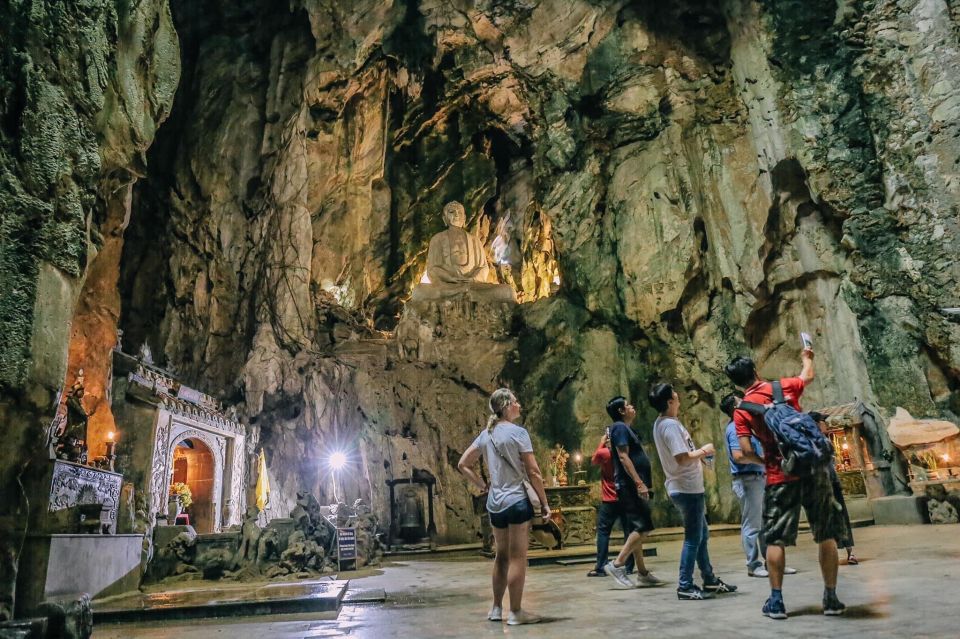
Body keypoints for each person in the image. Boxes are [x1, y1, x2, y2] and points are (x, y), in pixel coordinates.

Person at [725, 349, 846, 620]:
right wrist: (807, 356)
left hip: (780, 476)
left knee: (775, 539)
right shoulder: (783, 387)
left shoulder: (742, 411)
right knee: (826, 534)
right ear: (755, 370)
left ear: (737, 383)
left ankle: (777, 601)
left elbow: (743, 451)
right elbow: (809, 375)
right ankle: (831, 597)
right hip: (813, 471)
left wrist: (768, 460)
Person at [458, 388, 550, 625]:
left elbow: (463, 464)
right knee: (518, 557)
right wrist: (545, 503)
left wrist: (483, 485)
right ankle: (516, 612)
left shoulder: (486, 435)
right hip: (517, 501)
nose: (519, 405)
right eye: (516, 402)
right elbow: (534, 472)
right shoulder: (519, 433)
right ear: (507, 405)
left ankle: (496, 608)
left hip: (495, 504)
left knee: (501, 557)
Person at [650, 383, 737, 600]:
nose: (679, 397)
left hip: (687, 487)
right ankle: (685, 585)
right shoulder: (669, 425)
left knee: (701, 535)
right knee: (692, 538)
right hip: (686, 489)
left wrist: (699, 457)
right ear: (670, 402)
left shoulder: (666, 423)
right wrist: (704, 450)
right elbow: (681, 457)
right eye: (675, 395)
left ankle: (709, 579)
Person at [721, 393, 799, 579]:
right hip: (748, 479)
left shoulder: (749, 427)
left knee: (768, 522)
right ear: (735, 408)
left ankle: (773, 562)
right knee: (752, 524)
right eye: (742, 401)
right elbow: (739, 456)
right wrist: (764, 461)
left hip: (760, 477)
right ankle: (753, 564)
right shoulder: (734, 429)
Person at [602, 396, 664, 588]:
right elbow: (623, 456)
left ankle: (642, 572)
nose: (632, 407)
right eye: (628, 405)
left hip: (630, 485)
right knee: (644, 526)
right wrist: (638, 483)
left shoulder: (626, 428)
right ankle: (617, 563)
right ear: (621, 411)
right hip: (629, 486)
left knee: (636, 527)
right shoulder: (619, 428)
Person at [809, 411, 859, 565]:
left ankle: (849, 552)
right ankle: (830, 556)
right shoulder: (811, 442)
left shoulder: (824, 440)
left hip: (832, 483)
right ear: (817, 424)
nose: (826, 424)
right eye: (823, 421)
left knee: (841, 517)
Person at [587, 432, 635, 577]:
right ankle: (629, 565)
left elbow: (594, 460)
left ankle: (601, 566)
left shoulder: (604, 453)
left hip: (609, 499)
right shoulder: (626, 453)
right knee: (629, 532)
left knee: (603, 532)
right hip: (625, 498)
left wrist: (601, 442)